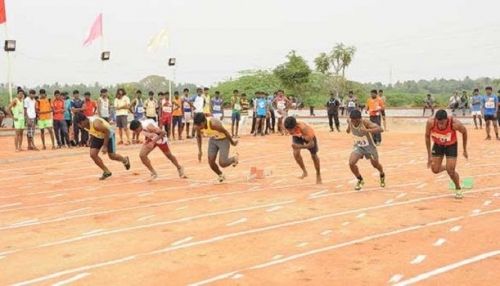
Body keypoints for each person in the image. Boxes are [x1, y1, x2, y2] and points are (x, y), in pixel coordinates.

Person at [425, 109, 468, 199]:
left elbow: (464, 132)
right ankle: (446, 167)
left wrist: (464, 149)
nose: (440, 126)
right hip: (438, 145)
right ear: (436, 119)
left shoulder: (455, 123)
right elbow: (427, 136)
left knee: (451, 172)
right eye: (439, 123)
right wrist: (429, 156)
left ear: (446, 120)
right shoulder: (430, 122)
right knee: (435, 170)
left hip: (451, 145)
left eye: (442, 123)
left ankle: (458, 188)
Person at [74, 112, 130, 180]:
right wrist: (90, 139)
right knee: (93, 154)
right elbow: (92, 131)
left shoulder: (96, 124)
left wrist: (105, 146)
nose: (79, 126)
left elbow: (107, 131)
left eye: (80, 124)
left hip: (108, 135)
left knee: (112, 156)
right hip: (98, 135)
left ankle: (125, 160)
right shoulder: (85, 125)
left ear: (84, 120)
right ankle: (106, 171)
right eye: (78, 124)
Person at [346, 110, 385, 191]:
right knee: (351, 163)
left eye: (356, 121)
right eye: (352, 121)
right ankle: (360, 180)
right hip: (359, 146)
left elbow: (380, 129)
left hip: (370, 147)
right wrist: (348, 129)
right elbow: (349, 128)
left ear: (359, 119)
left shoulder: (365, 122)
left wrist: (367, 130)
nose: (354, 123)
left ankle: (382, 173)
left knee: (375, 165)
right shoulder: (350, 121)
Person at [193, 113, 239, 183]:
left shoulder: (214, 124)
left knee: (223, 163)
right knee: (211, 161)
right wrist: (200, 151)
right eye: (197, 125)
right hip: (213, 140)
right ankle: (220, 175)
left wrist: (232, 143)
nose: (198, 128)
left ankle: (234, 158)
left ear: (204, 122)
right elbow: (198, 136)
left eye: (199, 125)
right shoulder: (197, 126)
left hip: (223, 139)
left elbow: (225, 132)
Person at [284, 116, 322, 184]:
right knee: (295, 153)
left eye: (290, 130)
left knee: (314, 155)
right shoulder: (288, 127)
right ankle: (304, 171)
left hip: (308, 138)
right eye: (288, 130)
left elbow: (311, 145)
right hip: (298, 137)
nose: (289, 132)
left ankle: (318, 174)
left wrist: (300, 146)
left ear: (295, 126)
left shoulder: (305, 129)